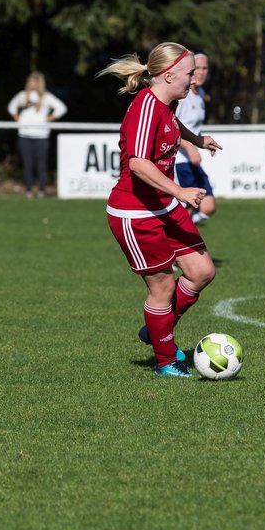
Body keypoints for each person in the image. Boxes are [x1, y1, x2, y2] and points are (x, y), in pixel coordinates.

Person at [98, 43, 222, 377]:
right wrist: (179, 190)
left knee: (201, 272)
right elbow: (138, 164)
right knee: (163, 287)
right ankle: (167, 360)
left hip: (163, 207)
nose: (194, 79)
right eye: (190, 73)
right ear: (169, 75)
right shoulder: (145, 108)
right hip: (135, 213)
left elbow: (172, 126)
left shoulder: (168, 103)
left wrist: (197, 140)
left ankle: (156, 329)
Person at [7, 71, 67, 197]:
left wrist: (50, 117)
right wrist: (18, 118)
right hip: (24, 135)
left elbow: (61, 108)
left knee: (41, 164)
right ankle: (28, 190)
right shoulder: (22, 96)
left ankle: (41, 190)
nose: (31, 83)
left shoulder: (46, 97)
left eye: (34, 81)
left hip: (41, 136)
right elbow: (11, 107)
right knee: (28, 164)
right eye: (29, 81)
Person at [174, 51, 216, 224]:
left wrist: (201, 144)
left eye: (204, 68)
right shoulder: (182, 96)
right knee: (188, 207)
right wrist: (190, 148)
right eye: (197, 68)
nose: (201, 72)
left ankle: (183, 231)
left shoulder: (201, 94)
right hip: (179, 160)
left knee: (208, 206)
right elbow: (170, 127)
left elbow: (193, 129)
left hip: (191, 160)